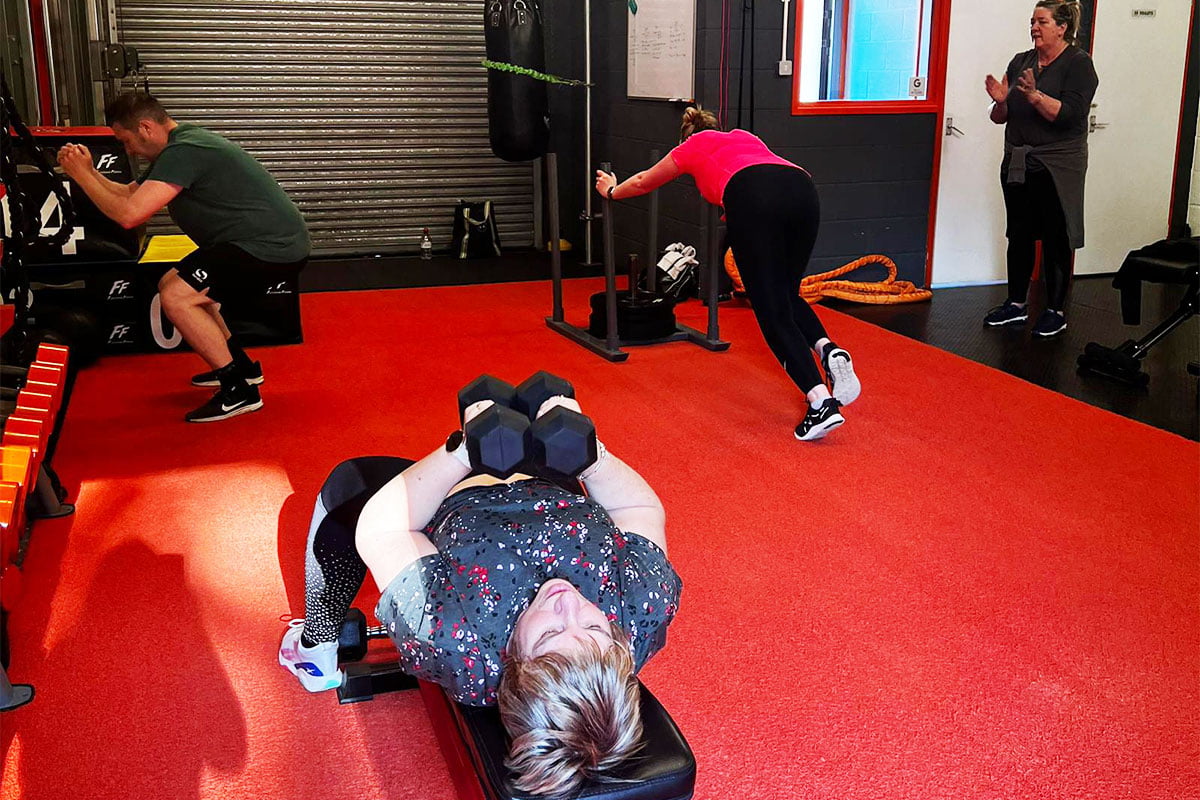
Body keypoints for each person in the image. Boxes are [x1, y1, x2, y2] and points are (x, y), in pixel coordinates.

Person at [278, 392, 682, 798]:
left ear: (513, 663)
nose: (569, 602)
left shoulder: (453, 635)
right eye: (593, 625)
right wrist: (592, 456)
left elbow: (385, 531)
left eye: (549, 633)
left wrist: (462, 452)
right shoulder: (642, 606)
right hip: (550, 483)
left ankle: (317, 645)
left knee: (346, 486)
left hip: (455, 499)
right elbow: (637, 506)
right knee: (540, 400)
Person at [594, 107, 861, 441]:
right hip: (803, 191)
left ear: (686, 136)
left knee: (770, 310)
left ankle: (820, 403)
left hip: (754, 198)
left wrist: (612, 191)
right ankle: (828, 349)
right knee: (786, 293)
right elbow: (760, 176)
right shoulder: (745, 137)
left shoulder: (690, 147)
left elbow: (644, 181)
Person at [55, 92, 311, 422]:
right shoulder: (178, 147)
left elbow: (130, 215)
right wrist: (89, 171)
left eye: (127, 141)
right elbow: (130, 194)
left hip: (270, 246)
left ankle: (239, 391)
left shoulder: (184, 150)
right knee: (176, 285)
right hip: (250, 242)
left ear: (145, 128)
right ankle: (242, 369)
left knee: (177, 296)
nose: (129, 150)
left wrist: (81, 175)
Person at [983, 0, 1098, 337]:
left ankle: (1055, 310)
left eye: (1042, 21)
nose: (1034, 27)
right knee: (1018, 233)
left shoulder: (1079, 64)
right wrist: (1001, 100)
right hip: (1018, 163)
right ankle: (1016, 305)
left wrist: (1033, 95)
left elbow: (1068, 115)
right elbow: (999, 116)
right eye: (1032, 21)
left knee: (1055, 236)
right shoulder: (1021, 62)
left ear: (1062, 27)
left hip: (1058, 164)